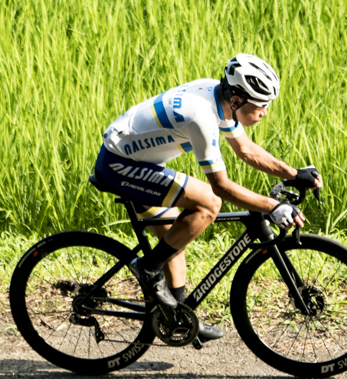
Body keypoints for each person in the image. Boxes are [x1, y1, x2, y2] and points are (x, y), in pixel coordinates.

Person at [91, 54, 321, 343]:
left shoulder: (217, 95)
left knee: (176, 237)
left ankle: (175, 315)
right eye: (261, 104)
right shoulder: (200, 115)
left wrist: (293, 173)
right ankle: (148, 268)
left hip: (141, 163)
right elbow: (221, 187)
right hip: (119, 166)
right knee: (209, 203)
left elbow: (246, 149)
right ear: (237, 99)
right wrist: (271, 205)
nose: (265, 112)